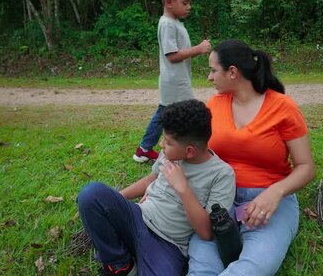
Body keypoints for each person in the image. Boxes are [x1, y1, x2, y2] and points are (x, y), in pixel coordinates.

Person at [187, 39, 317, 276]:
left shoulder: (282, 107)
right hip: (219, 198)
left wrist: (274, 193)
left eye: (213, 70)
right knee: (201, 267)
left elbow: (306, 167)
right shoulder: (213, 106)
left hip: (268, 203)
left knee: (251, 269)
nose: (209, 77)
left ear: (233, 72)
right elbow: (190, 150)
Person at [78, 99, 236, 276]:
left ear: (189, 151)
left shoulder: (222, 175)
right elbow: (149, 180)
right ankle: (120, 265)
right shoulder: (171, 153)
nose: (161, 145)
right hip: (138, 217)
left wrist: (182, 188)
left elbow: (206, 232)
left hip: (168, 244)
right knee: (91, 194)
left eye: (167, 142)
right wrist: (113, 202)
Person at [133, 0, 211, 163]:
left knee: (165, 114)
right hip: (175, 81)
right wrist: (198, 49)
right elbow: (172, 55)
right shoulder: (167, 24)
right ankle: (186, 149)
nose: (189, 7)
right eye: (185, 3)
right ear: (169, 2)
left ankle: (145, 149)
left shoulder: (174, 23)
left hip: (177, 79)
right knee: (188, 114)